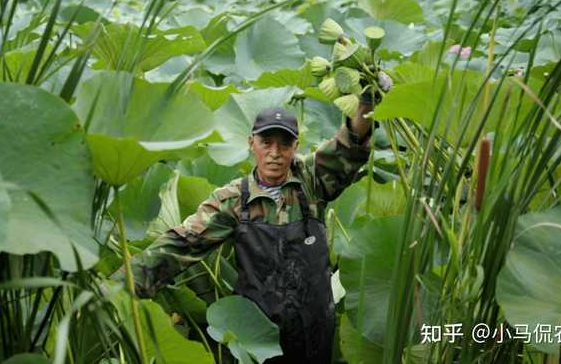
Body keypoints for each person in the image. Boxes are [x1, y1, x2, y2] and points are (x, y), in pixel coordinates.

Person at [131, 80, 390, 363]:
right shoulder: (233, 199)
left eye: (284, 144)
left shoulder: (311, 181)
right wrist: (121, 285)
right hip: (257, 342)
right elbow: (181, 244)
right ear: (251, 143)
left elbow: (349, 147)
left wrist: (366, 103)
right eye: (266, 143)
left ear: (296, 146)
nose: (275, 153)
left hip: (313, 334)